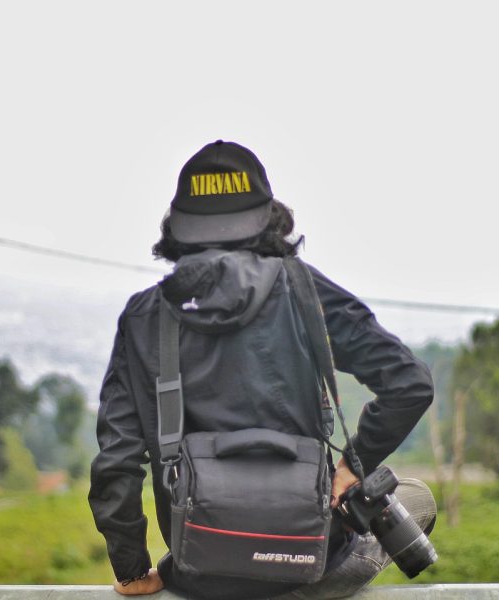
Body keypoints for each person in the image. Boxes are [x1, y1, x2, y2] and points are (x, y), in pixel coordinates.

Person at [89, 140, 437, 600]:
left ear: (179, 227)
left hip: (201, 575)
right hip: (308, 564)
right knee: (416, 499)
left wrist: (133, 568)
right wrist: (351, 466)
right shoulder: (304, 289)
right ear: (268, 218)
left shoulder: (144, 316)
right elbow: (409, 383)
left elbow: (117, 461)